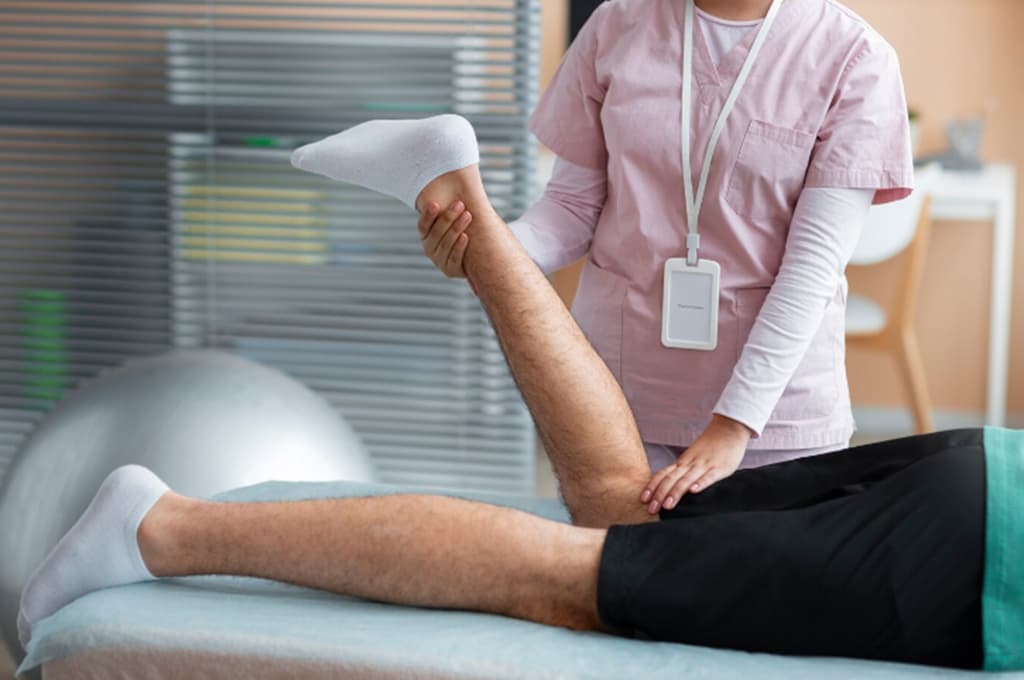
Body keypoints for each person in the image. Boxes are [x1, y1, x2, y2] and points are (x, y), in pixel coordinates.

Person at [16, 117, 1022, 671]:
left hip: (990, 480)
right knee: (572, 576)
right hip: (982, 563)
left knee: (625, 512)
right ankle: (163, 530)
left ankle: (451, 181)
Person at [417, 0, 917, 506]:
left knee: (754, 582)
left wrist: (733, 425)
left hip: (772, 420)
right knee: (618, 579)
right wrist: (486, 253)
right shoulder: (617, 24)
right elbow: (570, 208)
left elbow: (812, 268)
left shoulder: (854, 56)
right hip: (617, 404)